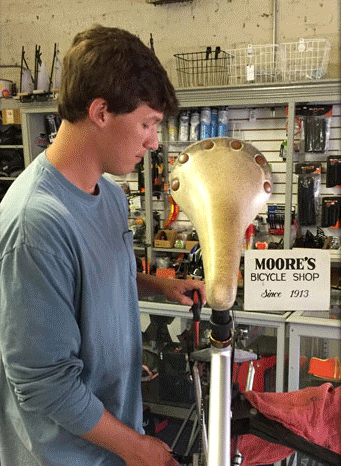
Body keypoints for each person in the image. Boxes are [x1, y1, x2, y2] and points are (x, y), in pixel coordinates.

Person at [0, 25, 206, 466]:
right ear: (101, 112)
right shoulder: (35, 223)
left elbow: (91, 280)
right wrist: (139, 450)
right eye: (148, 123)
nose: (153, 141)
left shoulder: (110, 195)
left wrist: (158, 285)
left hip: (112, 437)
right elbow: (44, 383)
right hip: (65, 454)